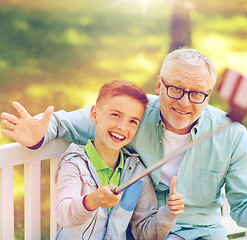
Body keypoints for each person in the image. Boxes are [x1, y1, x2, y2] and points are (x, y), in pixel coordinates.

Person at [1, 49, 247, 240]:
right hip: (149, 232)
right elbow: (72, 122)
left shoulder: (230, 134)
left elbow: (244, 209)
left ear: (209, 95)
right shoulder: (135, 114)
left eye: (197, 93)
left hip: (204, 233)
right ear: (159, 85)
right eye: (175, 89)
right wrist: (39, 135)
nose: (185, 102)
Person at [29, 80, 184, 239]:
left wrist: (169, 214)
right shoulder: (75, 163)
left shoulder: (138, 174)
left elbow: (145, 234)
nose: (122, 127)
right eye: (116, 115)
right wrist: (92, 200)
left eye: (133, 121)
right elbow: (64, 214)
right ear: (95, 114)